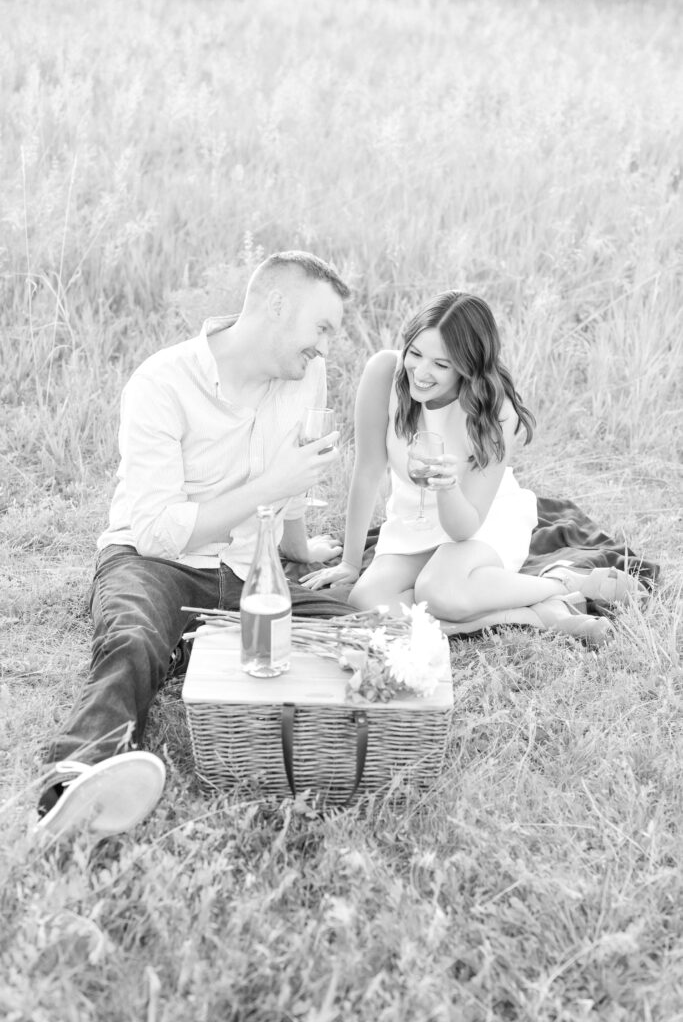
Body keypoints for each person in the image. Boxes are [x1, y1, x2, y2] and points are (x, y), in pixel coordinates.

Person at [37, 251, 355, 840]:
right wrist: (270, 485)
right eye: (322, 329)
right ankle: (75, 780)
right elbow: (157, 529)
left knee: (350, 629)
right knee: (132, 639)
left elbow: (295, 474)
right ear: (277, 305)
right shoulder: (163, 381)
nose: (326, 349)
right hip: (156, 563)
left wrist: (299, 546)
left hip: (248, 569)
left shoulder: (305, 375)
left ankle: (195, 645)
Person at [302, 290, 644, 639]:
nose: (420, 372)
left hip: (481, 519)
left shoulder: (495, 410)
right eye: (415, 353)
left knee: (439, 593)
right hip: (413, 520)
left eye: (441, 364)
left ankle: (562, 584)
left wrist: (448, 487)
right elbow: (368, 469)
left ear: (467, 367)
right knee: (368, 602)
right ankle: (536, 612)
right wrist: (349, 561)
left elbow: (464, 528)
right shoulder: (384, 373)